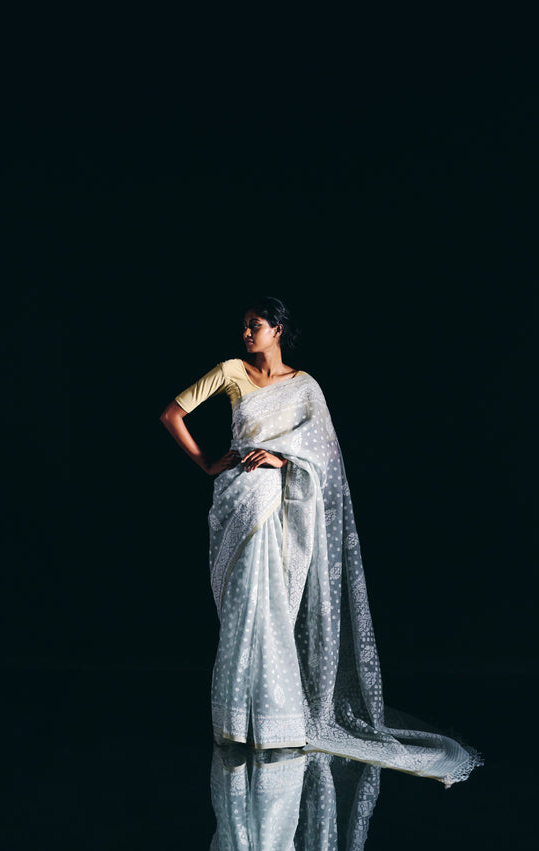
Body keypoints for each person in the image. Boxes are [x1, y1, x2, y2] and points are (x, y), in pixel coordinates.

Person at [160, 297, 482, 786]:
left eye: (254, 325)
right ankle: (236, 725)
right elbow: (172, 414)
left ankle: (274, 724)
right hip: (238, 499)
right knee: (243, 608)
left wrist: (282, 458)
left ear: (278, 329)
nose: (246, 333)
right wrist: (207, 463)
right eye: (244, 326)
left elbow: (324, 453)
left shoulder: (305, 386)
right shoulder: (230, 371)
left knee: (271, 609)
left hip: (282, 503)